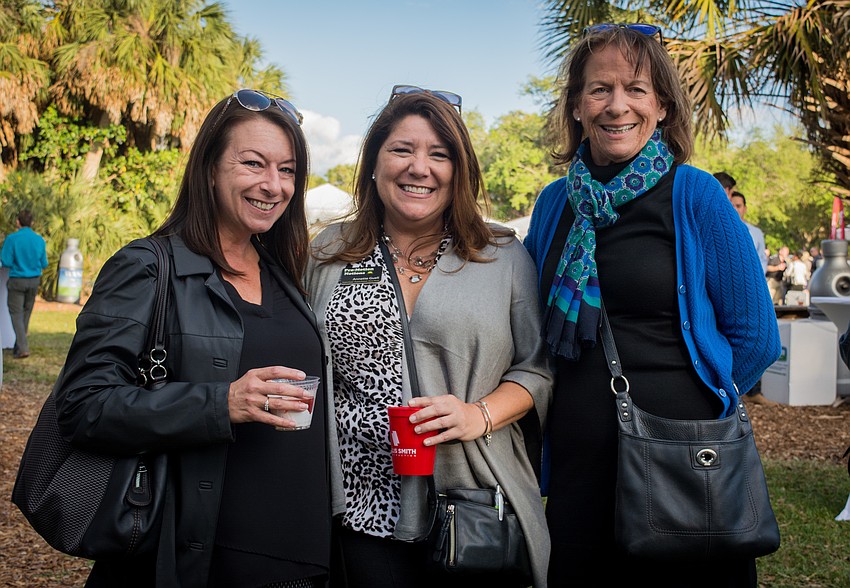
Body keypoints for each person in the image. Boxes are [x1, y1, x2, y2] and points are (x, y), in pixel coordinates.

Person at [523, 24, 781, 586]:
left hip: (683, 468)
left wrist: (690, 417)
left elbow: (758, 339)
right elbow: (526, 323)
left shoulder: (696, 195)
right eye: (599, 89)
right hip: (579, 470)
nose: (618, 106)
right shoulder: (554, 205)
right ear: (576, 106)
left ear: (662, 106)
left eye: (636, 89)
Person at [52, 89, 331, 587]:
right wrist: (221, 403)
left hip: (299, 556)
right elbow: (83, 405)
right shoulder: (147, 266)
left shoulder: (283, 270)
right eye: (253, 163)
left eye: (287, 170)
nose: (273, 185)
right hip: (198, 557)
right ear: (209, 169)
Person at [306, 86, 553, 588]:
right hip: (359, 506)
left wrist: (477, 415)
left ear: (459, 171)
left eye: (439, 154)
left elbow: (538, 369)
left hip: (473, 500)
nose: (419, 168)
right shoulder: (329, 250)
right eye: (402, 149)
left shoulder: (501, 254)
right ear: (374, 163)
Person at [0, 210, 48, 359]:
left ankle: (22, 348)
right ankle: (19, 345)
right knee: (26, 312)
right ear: (32, 222)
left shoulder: (12, 239)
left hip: (17, 280)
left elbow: (6, 261)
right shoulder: (39, 240)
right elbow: (44, 263)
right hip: (34, 281)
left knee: (16, 314)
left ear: (17, 222)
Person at [730, 190, 768, 273]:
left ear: (745, 209)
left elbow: (762, 260)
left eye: (738, 206)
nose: (735, 209)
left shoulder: (756, 233)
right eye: (731, 206)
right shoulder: (718, 232)